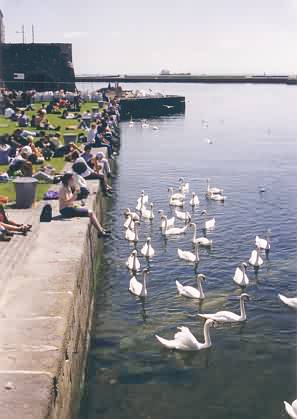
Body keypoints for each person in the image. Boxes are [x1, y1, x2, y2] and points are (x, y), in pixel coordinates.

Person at [59, 173, 110, 238]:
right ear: (68, 180)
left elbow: (70, 201)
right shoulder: (63, 189)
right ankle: (101, 232)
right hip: (65, 210)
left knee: (89, 212)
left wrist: (77, 200)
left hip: (69, 208)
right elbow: (66, 202)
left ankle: (101, 230)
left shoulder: (68, 187)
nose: (74, 180)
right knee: (90, 212)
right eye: (72, 179)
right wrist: (75, 194)